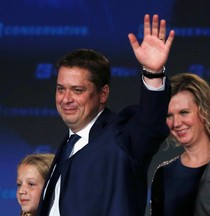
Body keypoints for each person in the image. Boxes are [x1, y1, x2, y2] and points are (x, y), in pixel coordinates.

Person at [36, 14, 175, 216]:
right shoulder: (68, 145)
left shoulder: (121, 137)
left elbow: (150, 125)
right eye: (60, 89)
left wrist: (153, 73)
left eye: (77, 90)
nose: (65, 99)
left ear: (102, 94)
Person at [150, 73, 210, 216]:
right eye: (169, 115)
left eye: (184, 112)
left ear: (205, 112)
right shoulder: (164, 174)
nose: (176, 123)